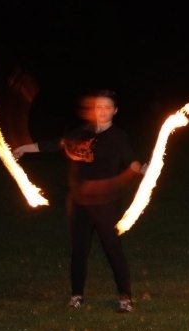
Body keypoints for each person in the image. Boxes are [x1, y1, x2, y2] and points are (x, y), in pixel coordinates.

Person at [13, 89, 147, 312]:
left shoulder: (118, 136)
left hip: (106, 203)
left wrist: (142, 168)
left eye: (107, 107)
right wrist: (23, 149)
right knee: (79, 251)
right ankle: (76, 296)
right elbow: (56, 144)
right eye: (98, 107)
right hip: (79, 203)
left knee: (112, 249)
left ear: (115, 110)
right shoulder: (82, 133)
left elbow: (130, 159)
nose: (102, 111)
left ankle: (125, 297)